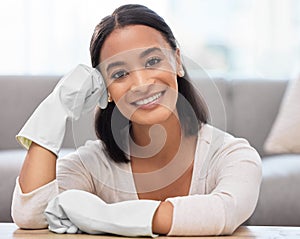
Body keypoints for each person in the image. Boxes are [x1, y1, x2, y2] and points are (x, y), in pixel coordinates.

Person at [11, 4, 262, 237]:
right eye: (120, 74)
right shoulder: (92, 165)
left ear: (176, 61)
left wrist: (100, 216)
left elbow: (223, 212)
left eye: (153, 61)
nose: (141, 85)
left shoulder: (233, 155)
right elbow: (30, 215)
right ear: (106, 89)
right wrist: (57, 106)